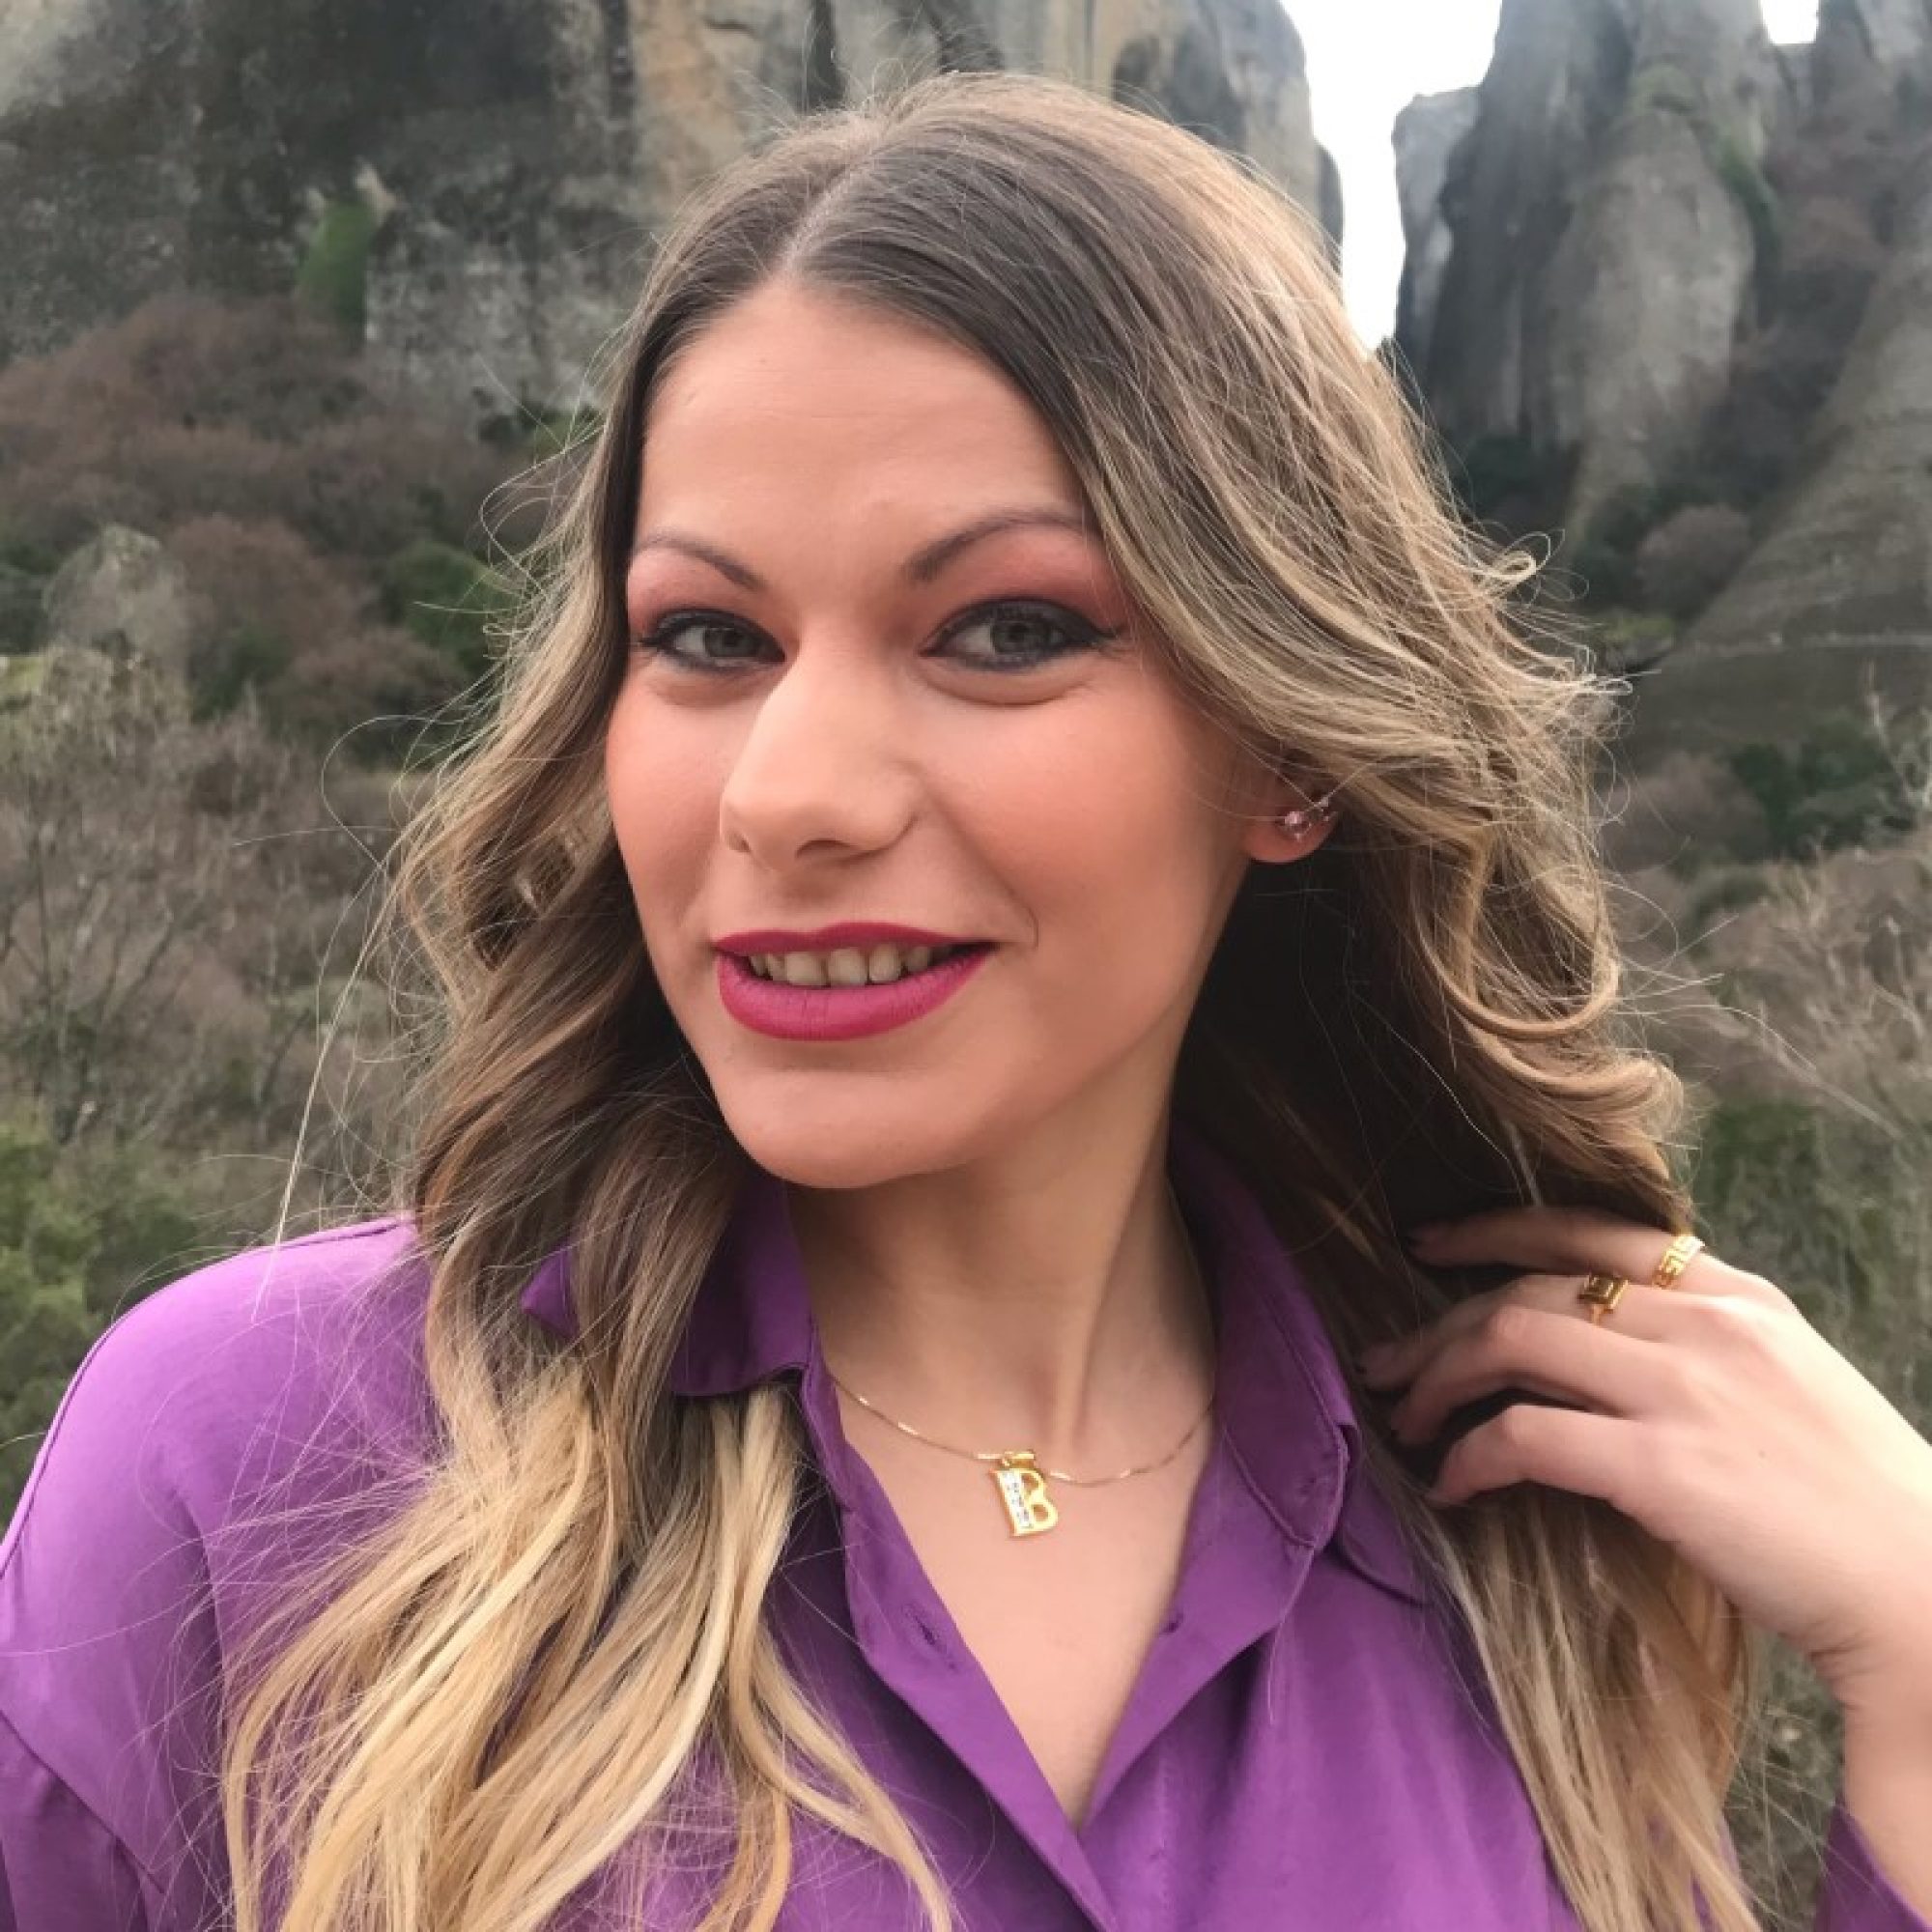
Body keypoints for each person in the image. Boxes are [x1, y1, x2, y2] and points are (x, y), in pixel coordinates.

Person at [2, 66, 1929, 1932]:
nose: (787, 796)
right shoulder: (250, 1469)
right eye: (708, 636)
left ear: (1290, 747)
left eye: (1005, 630)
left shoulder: (1523, 1543)